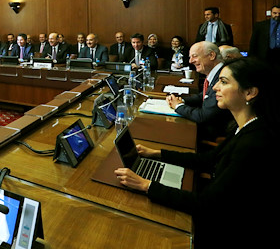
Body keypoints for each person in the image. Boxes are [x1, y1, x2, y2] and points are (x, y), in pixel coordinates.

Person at [115, 57, 279, 247]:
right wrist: (157, 153)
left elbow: (207, 204)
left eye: (224, 82)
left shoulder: (255, 143)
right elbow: (208, 159)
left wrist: (146, 185)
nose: (215, 87)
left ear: (250, 92)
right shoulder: (246, 126)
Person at [166, 41, 234, 141]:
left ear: (211, 55)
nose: (190, 61)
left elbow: (203, 116)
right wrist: (181, 100)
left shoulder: (223, 76)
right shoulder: (216, 73)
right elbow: (203, 95)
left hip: (212, 133)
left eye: (194, 56)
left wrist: (178, 106)